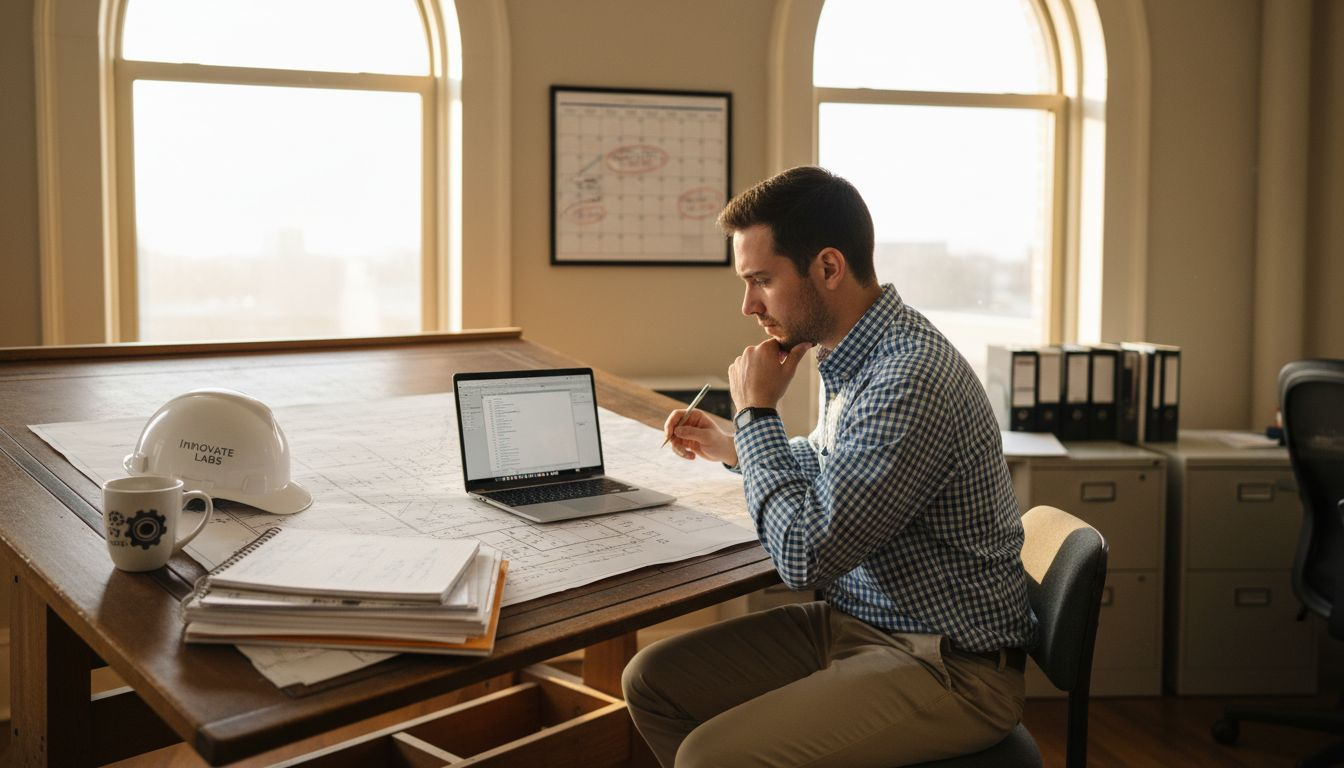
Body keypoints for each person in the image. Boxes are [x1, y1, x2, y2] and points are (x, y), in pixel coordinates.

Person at [621, 166, 1038, 768]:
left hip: (948, 665)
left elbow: (804, 556)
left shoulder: (906, 377)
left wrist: (757, 413)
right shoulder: (852, 353)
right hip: (863, 624)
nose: (748, 305)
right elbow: (825, 467)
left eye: (762, 280)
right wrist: (732, 445)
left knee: (707, 758)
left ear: (828, 267)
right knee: (651, 680)